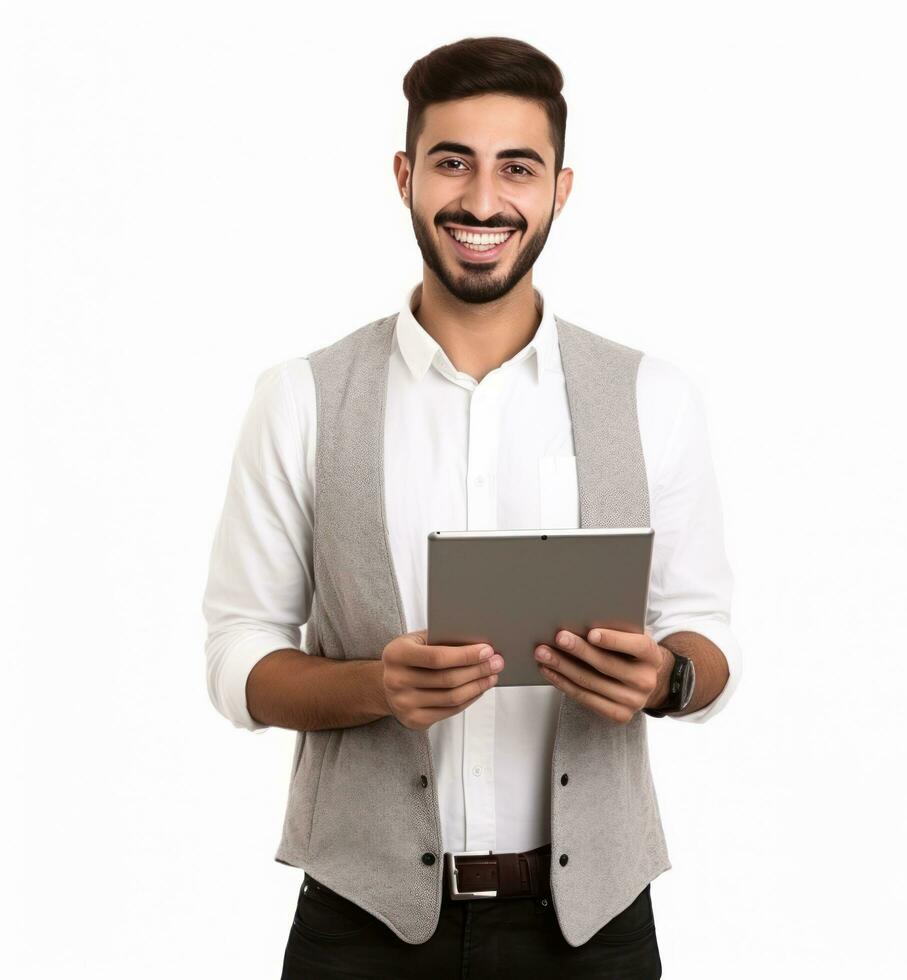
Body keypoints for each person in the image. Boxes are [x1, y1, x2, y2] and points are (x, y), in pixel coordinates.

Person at [202, 35, 742, 980]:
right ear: (406, 175)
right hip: (361, 926)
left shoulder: (654, 396)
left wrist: (665, 680)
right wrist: (379, 688)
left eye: (517, 168)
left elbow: (704, 637)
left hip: (594, 930)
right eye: (452, 162)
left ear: (559, 190)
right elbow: (237, 655)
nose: (483, 201)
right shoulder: (302, 397)